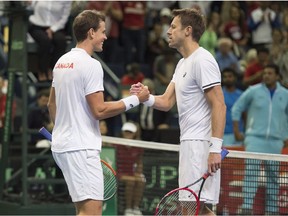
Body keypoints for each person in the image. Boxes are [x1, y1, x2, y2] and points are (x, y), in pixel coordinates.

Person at [47, 10, 149, 216]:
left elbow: (51, 104)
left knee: (83, 210)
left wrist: (63, 132)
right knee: (92, 213)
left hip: (63, 146)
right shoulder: (91, 64)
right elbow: (99, 110)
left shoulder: (61, 62)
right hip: (81, 148)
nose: (105, 36)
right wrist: (135, 100)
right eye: (103, 32)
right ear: (91, 32)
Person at [131, 8, 226, 215]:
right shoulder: (183, 63)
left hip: (201, 144)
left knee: (193, 209)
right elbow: (166, 101)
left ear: (187, 31)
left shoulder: (203, 60)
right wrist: (145, 98)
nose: (168, 31)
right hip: (189, 143)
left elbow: (219, 104)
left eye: (173, 26)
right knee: (192, 209)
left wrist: (215, 149)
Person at [232, 64, 288, 215]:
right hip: (254, 139)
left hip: (275, 142)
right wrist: (237, 130)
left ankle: (272, 210)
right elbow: (237, 108)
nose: (266, 76)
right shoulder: (253, 91)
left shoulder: (285, 94)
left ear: (277, 76)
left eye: (270, 73)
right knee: (251, 173)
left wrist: (286, 135)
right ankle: (247, 208)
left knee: (273, 177)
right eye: (265, 73)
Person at [27, 1, 72, 81]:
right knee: (45, 41)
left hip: (57, 27)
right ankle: (42, 70)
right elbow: (30, 6)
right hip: (37, 26)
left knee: (61, 41)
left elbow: (64, 18)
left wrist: (52, 29)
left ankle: (55, 70)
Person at [116, 121, 145, 216]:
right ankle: (128, 209)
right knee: (131, 181)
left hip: (131, 173)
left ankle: (135, 208)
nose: (128, 134)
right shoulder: (116, 144)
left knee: (141, 181)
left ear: (134, 133)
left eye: (130, 132)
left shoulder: (138, 146)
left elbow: (139, 162)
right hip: (118, 173)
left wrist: (138, 172)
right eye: (126, 131)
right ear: (122, 132)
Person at [221, 68, 243, 146]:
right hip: (223, 133)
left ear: (235, 78)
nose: (227, 79)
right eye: (225, 77)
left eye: (230, 76)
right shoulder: (218, 95)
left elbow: (245, 114)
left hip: (239, 133)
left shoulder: (241, 95)